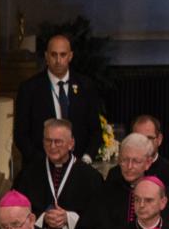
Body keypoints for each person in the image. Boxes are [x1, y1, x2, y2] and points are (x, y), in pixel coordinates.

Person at [9, 118, 112, 229]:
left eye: (58, 141)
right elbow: (15, 211)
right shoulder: (29, 174)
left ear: (71, 144)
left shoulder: (90, 177)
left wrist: (69, 218)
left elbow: (99, 219)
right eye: (48, 140)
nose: (52, 146)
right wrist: (43, 218)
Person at [12, 33, 103, 170]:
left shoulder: (86, 86)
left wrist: (86, 159)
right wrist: (44, 162)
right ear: (46, 57)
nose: (58, 60)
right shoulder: (29, 89)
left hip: (78, 167)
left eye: (63, 55)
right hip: (41, 169)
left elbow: (95, 131)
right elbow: (21, 135)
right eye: (54, 55)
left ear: (70, 56)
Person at [128, 114, 169, 224]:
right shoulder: (118, 173)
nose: (143, 144)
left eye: (149, 138)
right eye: (138, 138)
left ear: (159, 139)